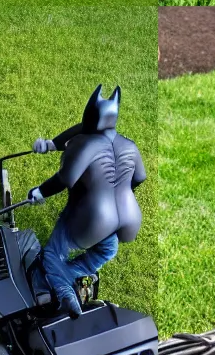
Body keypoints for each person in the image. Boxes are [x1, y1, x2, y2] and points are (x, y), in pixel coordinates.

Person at [26, 85, 145, 316]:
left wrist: (40, 192)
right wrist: (51, 144)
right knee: (105, 251)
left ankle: (64, 290)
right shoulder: (129, 145)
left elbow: (65, 178)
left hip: (92, 219)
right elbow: (139, 177)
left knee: (51, 255)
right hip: (127, 217)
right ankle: (76, 273)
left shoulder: (85, 145)